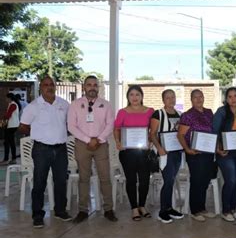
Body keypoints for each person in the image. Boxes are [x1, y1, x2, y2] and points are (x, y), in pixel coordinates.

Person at [19, 76, 72, 228]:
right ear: (40, 87)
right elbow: (22, 126)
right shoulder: (34, 106)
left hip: (61, 149)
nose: (49, 87)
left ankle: (60, 210)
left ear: (55, 86)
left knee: (61, 181)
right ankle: (37, 215)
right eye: (46, 85)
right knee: (39, 182)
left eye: (52, 84)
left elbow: (69, 123)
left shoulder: (63, 104)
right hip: (41, 150)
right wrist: (36, 131)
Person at [67, 75, 118, 223]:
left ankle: (108, 210)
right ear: (84, 87)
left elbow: (110, 124)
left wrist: (99, 139)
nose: (92, 87)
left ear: (98, 87)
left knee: (105, 177)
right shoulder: (75, 105)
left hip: (101, 144)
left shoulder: (106, 104)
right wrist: (88, 140)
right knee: (83, 178)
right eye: (89, 85)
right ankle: (83, 210)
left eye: (95, 85)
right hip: (83, 145)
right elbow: (71, 126)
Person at [113, 85, 154, 221]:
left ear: (142, 96)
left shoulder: (150, 111)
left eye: (137, 94)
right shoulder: (122, 112)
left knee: (144, 180)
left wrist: (151, 142)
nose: (135, 97)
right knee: (131, 180)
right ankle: (134, 208)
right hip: (127, 152)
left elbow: (153, 131)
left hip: (143, 152)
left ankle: (142, 205)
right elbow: (117, 129)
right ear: (128, 97)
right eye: (132, 95)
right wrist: (118, 142)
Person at [177, 89, 216, 222]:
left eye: (201, 96)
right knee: (197, 180)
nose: (198, 99)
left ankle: (202, 208)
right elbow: (180, 135)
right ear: (191, 99)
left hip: (208, 153)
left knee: (205, 180)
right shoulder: (187, 115)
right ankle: (194, 210)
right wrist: (187, 149)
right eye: (195, 97)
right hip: (194, 153)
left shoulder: (209, 112)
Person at [212, 87, 236, 222]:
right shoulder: (221, 112)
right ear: (226, 99)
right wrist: (217, 148)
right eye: (230, 96)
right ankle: (226, 210)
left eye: (235, 96)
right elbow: (214, 131)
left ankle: (233, 209)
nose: (233, 99)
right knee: (231, 180)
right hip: (225, 152)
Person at [149, 89, 184, 224]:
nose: (171, 100)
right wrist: (160, 149)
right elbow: (152, 134)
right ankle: (163, 211)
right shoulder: (158, 114)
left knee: (172, 179)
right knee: (168, 180)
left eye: (173, 97)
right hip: (164, 153)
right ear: (163, 100)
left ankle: (169, 208)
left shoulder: (180, 114)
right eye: (168, 97)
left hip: (177, 152)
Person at [3, 93, 20, 164]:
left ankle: (7, 159)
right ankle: (13, 159)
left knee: (7, 143)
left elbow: (8, 115)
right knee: (10, 142)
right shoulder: (12, 104)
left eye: (6, 98)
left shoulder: (13, 104)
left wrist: (3, 118)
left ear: (9, 98)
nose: (6, 99)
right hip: (13, 125)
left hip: (11, 126)